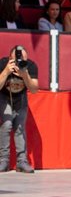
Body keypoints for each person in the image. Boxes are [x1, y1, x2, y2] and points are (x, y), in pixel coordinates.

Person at [0, 45, 38, 173]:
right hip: (4, 97)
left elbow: (34, 90)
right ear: (10, 58)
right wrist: (6, 71)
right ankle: (3, 161)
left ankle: (22, 161)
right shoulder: (2, 64)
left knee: (20, 126)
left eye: (23, 60)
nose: (20, 63)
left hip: (20, 97)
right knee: (7, 124)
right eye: (17, 61)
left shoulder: (30, 66)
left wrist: (25, 74)